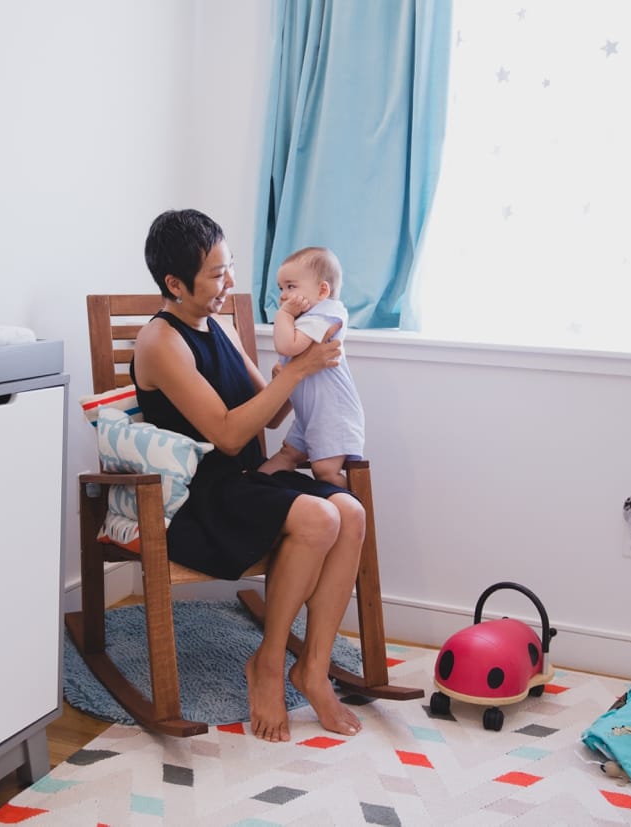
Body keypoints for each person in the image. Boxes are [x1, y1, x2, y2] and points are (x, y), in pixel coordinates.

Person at [131, 208, 366, 742]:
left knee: (349, 512)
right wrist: (296, 373)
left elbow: (270, 408)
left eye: (229, 267)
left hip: (246, 481)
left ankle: (310, 669)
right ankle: (267, 662)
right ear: (174, 283)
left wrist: (307, 371)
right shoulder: (159, 342)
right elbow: (229, 435)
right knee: (318, 519)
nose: (230, 282)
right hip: (203, 497)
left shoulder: (218, 326)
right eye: (216, 274)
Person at [257, 247, 364, 488]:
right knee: (287, 454)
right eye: (281, 288)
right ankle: (256, 482)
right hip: (309, 414)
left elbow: (287, 346)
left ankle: (351, 498)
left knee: (325, 469)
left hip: (332, 414)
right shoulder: (307, 318)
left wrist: (283, 315)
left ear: (322, 290)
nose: (283, 295)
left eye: (291, 287)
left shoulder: (325, 315)